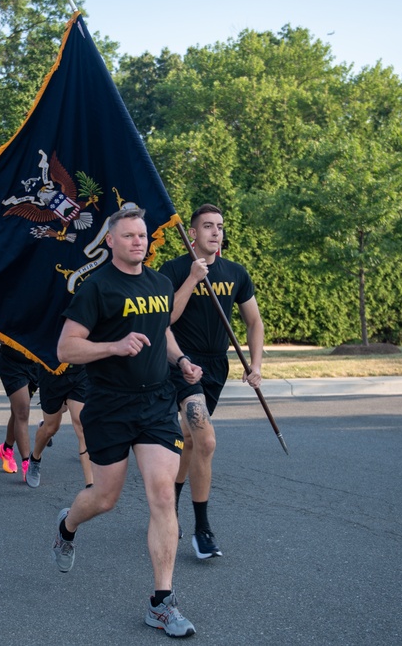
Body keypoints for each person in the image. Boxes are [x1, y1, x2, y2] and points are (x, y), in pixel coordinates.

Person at [51, 207, 201, 638]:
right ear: (111, 242)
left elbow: (163, 330)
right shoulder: (95, 288)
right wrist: (114, 347)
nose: (138, 241)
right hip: (110, 406)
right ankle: (68, 525)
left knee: (161, 495)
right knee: (104, 499)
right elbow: (66, 349)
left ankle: (161, 602)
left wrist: (182, 360)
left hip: (156, 403)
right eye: (129, 236)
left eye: (142, 235)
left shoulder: (159, 283)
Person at [159, 203, 263, 559]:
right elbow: (166, 317)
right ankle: (203, 530)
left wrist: (256, 364)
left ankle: (169, 499)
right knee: (205, 439)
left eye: (219, 226)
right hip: (181, 365)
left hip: (217, 367)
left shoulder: (236, 273)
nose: (215, 232)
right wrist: (191, 278)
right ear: (192, 233)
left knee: (190, 440)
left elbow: (254, 323)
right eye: (207, 226)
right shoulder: (172, 270)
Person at [25, 364, 93, 489]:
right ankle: (35, 458)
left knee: (82, 425)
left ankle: (91, 487)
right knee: (51, 428)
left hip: (79, 371)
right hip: (51, 372)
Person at [0, 343, 39, 478]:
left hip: (35, 362)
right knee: (22, 412)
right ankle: (27, 464)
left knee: (17, 411)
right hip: (12, 364)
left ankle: (6, 448)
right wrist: (2, 335)